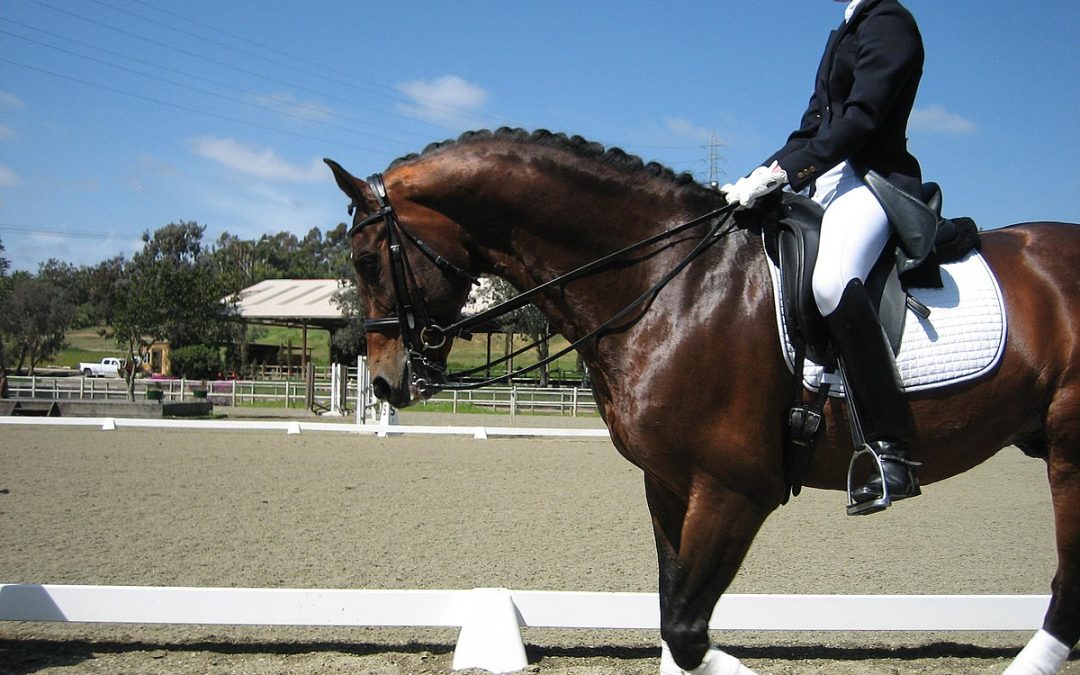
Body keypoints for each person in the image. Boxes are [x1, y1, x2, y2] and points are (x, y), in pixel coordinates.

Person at [722, 0, 924, 509]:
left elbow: (862, 119)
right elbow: (811, 127)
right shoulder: (845, 28)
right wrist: (758, 173)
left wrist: (789, 174)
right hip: (827, 176)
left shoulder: (889, 23)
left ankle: (892, 451)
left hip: (872, 179)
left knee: (833, 279)